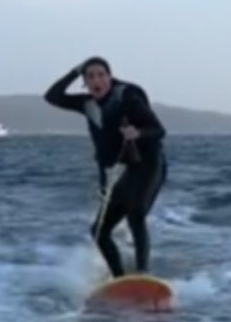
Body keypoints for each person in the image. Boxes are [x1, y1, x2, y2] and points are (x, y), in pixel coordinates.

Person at [43, 56, 168, 278]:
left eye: (101, 74)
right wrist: (75, 70)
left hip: (150, 163)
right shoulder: (87, 104)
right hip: (125, 171)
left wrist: (137, 132)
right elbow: (52, 96)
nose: (96, 80)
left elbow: (158, 130)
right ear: (85, 82)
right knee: (99, 231)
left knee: (136, 212)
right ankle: (120, 280)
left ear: (109, 77)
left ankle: (142, 274)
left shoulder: (127, 96)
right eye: (90, 76)